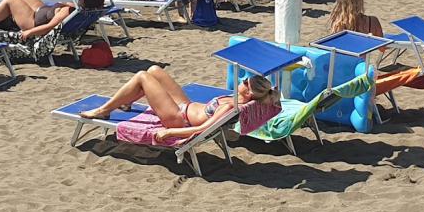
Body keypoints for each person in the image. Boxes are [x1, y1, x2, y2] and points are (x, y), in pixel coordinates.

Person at [78, 67, 282, 143]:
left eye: (245, 81)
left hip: (178, 119)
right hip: (186, 106)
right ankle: (127, 101)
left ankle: (104, 110)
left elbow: (203, 129)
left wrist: (170, 133)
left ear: (248, 90)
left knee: (142, 77)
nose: (242, 80)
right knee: (155, 70)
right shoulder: (239, 100)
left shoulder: (230, 107)